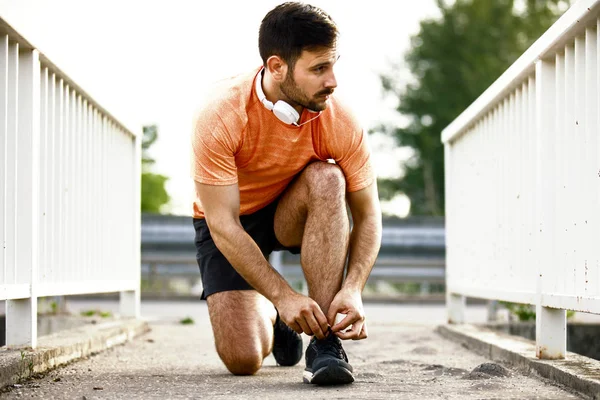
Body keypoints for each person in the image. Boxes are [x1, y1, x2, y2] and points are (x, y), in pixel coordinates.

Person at [191, 1, 382, 385]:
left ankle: (324, 342)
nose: (333, 80)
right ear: (276, 67)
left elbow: (368, 215)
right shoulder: (221, 114)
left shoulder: (339, 120)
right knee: (242, 358)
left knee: (328, 177)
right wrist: (282, 296)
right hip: (234, 218)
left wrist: (353, 288)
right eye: (319, 68)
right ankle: (278, 317)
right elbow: (223, 224)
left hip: (290, 211)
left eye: (333, 64)